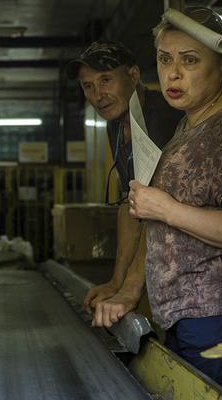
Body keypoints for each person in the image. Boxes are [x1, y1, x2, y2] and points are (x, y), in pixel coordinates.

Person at [127, 6, 222, 393]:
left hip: (213, 317)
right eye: (164, 59)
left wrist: (166, 209)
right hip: (181, 315)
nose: (172, 74)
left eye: (190, 61)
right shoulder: (189, 122)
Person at [66, 41, 182, 328]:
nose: (97, 95)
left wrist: (130, 291)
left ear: (133, 76)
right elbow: (129, 207)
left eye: (106, 80)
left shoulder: (163, 118)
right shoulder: (117, 124)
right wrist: (116, 283)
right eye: (88, 86)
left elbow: (157, 213)